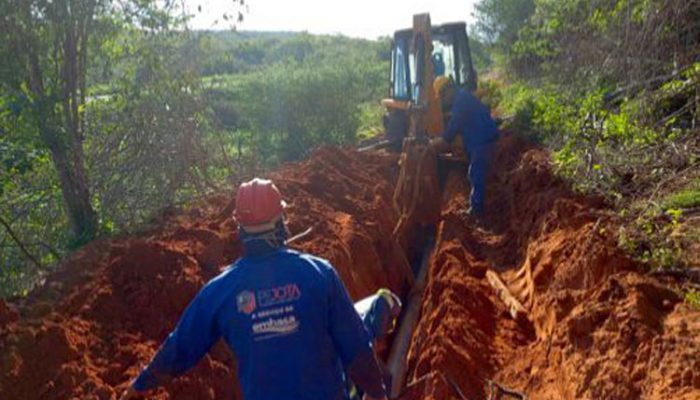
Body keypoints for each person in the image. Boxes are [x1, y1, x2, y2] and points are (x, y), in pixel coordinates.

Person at [120, 178, 388, 400]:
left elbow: (180, 346)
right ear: (281, 220)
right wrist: (378, 393)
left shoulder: (221, 290)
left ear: (239, 228)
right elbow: (355, 347)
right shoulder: (318, 273)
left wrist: (139, 385)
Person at [431, 81, 499, 218]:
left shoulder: (461, 102)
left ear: (449, 89)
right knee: (474, 173)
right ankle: (476, 207)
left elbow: (452, 129)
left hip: (481, 138)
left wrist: (434, 143)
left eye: (443, 95)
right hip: (480, 137)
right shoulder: (463, 97)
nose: (444, 100)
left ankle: (477, 211)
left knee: (476, 173)